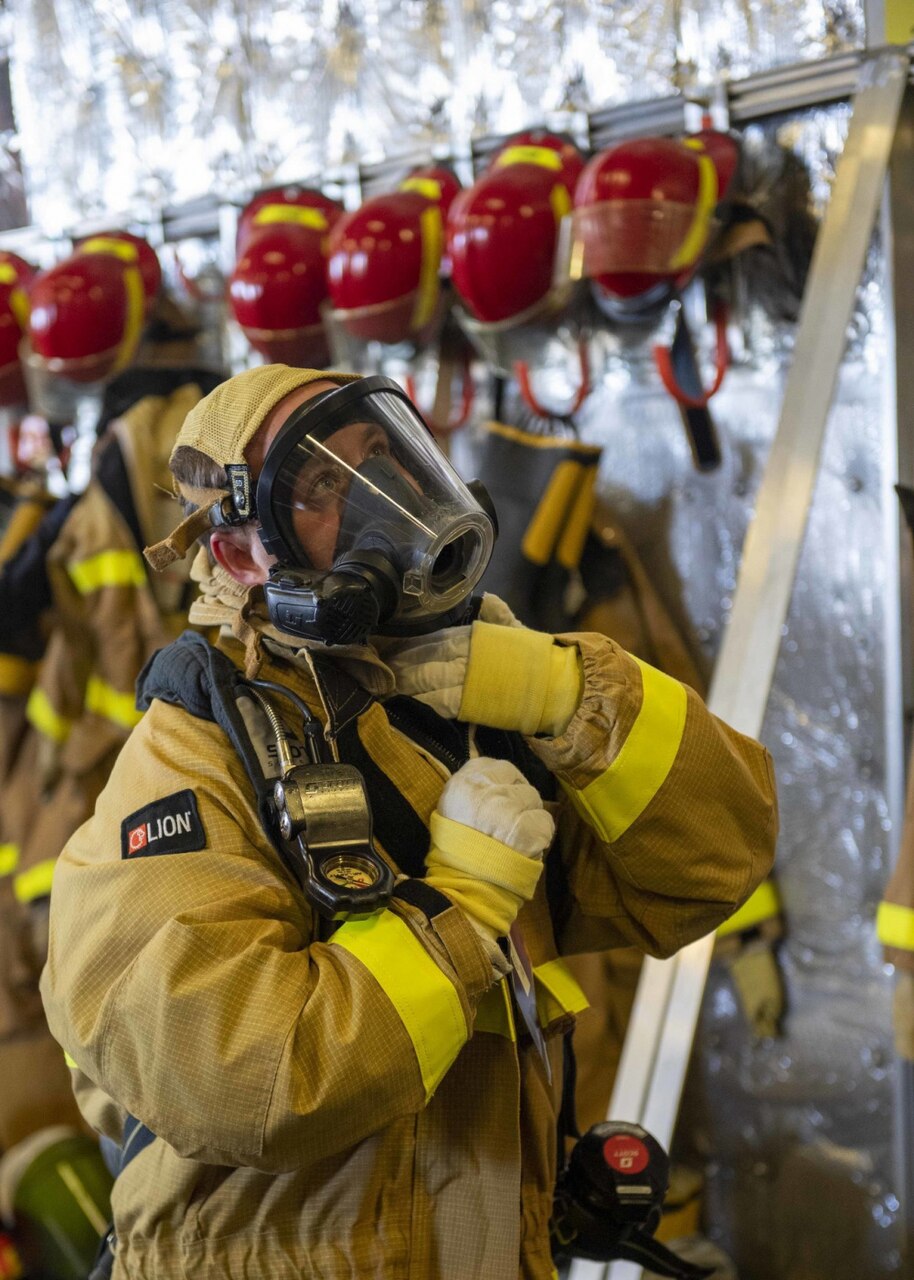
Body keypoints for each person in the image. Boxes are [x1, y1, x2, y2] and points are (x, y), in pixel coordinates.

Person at [40, 364, 778, 1280]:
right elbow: (245, 1079)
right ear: (238, 556)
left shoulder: (452, 716)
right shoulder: (193, 761)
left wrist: (566, 692)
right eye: (320, 485)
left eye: (384, 456)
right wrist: (460, 907)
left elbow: (714, 861)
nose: (382, 500)